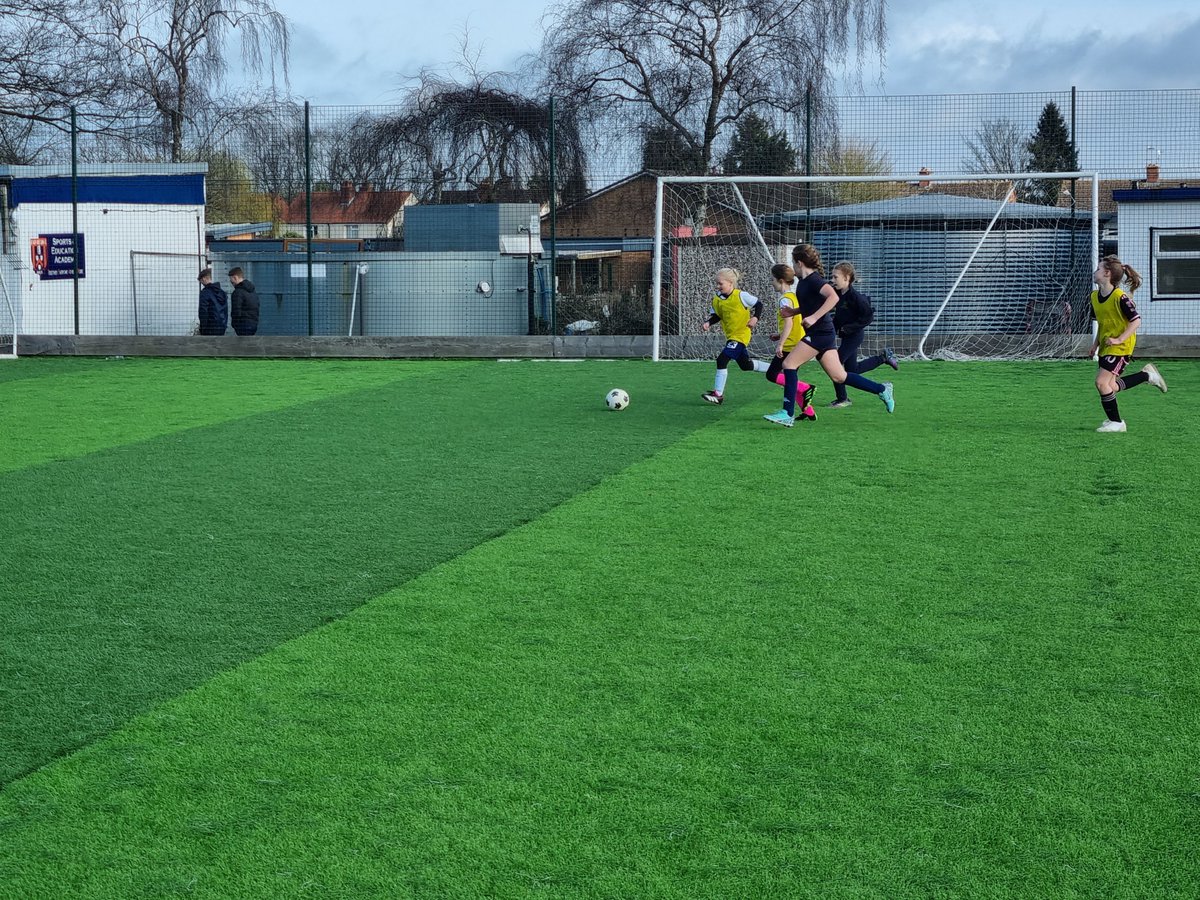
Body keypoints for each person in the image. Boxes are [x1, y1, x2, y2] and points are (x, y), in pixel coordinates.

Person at [763, 244, 894, 427]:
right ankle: (881, 389)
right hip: (823, 334)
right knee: (839, 376)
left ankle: (787, 413)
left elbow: (833, 297)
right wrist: (794, 312)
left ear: (799, 263)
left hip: (820, 333)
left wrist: (814, 317)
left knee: (788, 364)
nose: (793, 268)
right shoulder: (804, 282)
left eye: (793, 263)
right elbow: (811, 306)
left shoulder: (815, 280)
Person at [1088, 255, 1167, 433]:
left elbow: (1136, 321)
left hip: (1121, 346)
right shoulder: (1094, 297)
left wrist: (1119, 339)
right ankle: (1147, 376)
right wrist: (1095, 344)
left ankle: (1117, 422)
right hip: (1107, 345)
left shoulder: (1120, 297)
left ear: (1107, 273)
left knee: (1101, 383)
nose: (1095, 272)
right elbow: (1103, 323)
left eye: (1098, 269)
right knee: (1111, 386)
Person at [827, 261, 899, 409]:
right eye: (832, 277)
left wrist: (849, 328)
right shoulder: (837, 294)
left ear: (847, 278)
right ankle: (883, 358)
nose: (832, 280)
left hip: (855, 336)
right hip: (846, 336)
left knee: (835, 364)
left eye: (835, 277)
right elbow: (838, 317)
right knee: (852, 370)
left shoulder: (856, 297)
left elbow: (868, 317)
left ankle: (843, 399)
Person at [700, 267, 773, 404]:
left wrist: (755, 318)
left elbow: (759, 304)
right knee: (746, 365)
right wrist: (708, 323)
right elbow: (717, 316)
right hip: (731, 336)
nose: (718, 286)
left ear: (730, 283)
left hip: (741, 335)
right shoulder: (717, 299)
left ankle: (718, 394)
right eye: (717, 283)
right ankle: (775, 369)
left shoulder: (741, 295)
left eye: (720, 283)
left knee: (722, 360)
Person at [765, 263, 817, 420]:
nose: (771, 282)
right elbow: (793, 321)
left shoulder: (784, 300)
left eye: (772, 279)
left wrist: (781, 343)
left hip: (790, 344)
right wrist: (779, 335)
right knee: (790, 376)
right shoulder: (793, 297)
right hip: (798, 341)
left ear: (781, 280)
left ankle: (805, 387)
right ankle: (809, 412)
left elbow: (789, 323)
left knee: (772, 374)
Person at [228, 267, 260, 336]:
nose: (231, 283)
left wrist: (234, 324)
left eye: (231, 281)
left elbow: (236, 310)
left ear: (235, 277)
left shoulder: (238, 292)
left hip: (242, 325)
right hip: (253, 323)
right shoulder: (252, 290)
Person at [197, 268, 228, 336]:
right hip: (222, 327)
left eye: (201, 281)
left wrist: (203, 328)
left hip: (209, 328)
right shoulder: (222, 292)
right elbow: (225, 311)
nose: (201, 283)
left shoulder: (205, 293)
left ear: (204, 279)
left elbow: (203, 311)